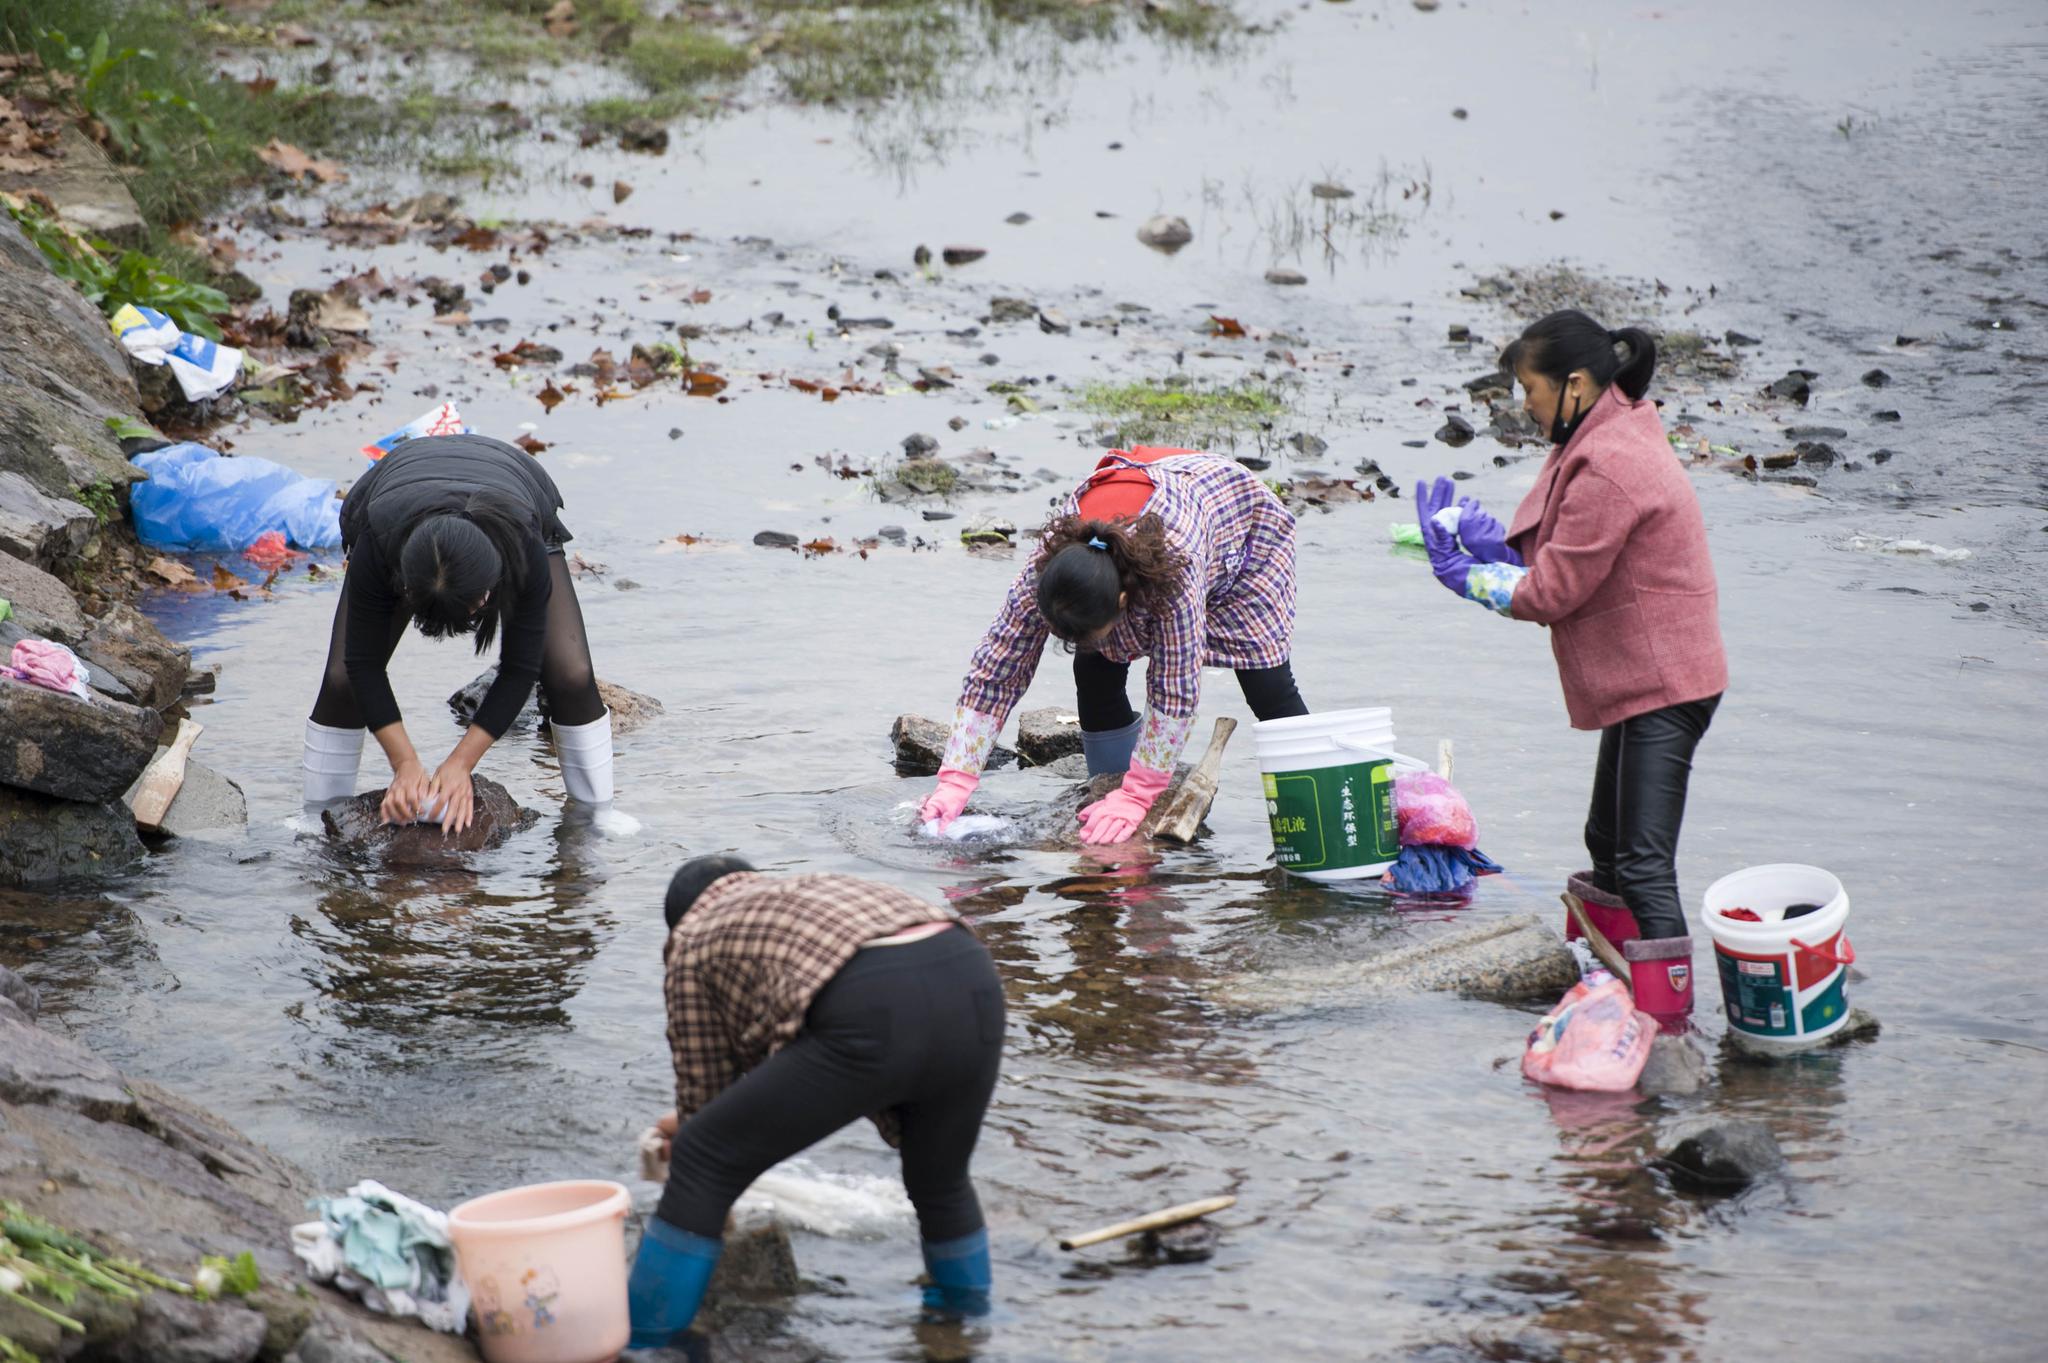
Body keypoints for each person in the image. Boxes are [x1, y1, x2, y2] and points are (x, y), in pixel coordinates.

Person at [1412, 310, 1727, 1031]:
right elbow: (1567, 548)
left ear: (1575, 384)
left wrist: (1470, 576)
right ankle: (1611, 981)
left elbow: (1552, 592)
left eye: (1530, 388)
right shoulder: (1603, 432)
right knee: (1605, 841)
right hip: (1647, 677)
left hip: (1667, 681)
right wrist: (1494, 545)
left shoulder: (1612, 460)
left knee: (1643, 863)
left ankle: (1668, 1024)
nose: (1524, 404)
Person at [628, 858, 1005, 1348]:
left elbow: (706, 1099)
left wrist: (692, 1145)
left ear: (678, 920)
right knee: (940, 1182)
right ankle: (963, 1326)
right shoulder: (799, 895)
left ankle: (647, 1341)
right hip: (971, 974)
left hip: (873, 998)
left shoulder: (693, 937)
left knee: (701, 1158)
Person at [919, 446, 1308, 844]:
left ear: (1123, 601)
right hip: (1146, 505)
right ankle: (1108, 794)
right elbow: (997, 669)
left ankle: (1317, 812)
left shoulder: (1177, 573)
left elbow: (1175, 691)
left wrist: (1140, 794)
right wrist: (956, 777)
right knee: (1093, 667)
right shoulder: (1048, 569)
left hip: (1240, 529)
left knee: (1266, 686)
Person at [299, 433, 614, 830]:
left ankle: (595, 815)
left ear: (489, 591)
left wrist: (461, 763)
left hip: (511, 481)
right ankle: (318, 815)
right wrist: (405, 763)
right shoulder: (380, 541)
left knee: (570, 673)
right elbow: (363, 664)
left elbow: (519, 667)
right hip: (396, 492)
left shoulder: (522, 543)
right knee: (341, 679)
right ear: (405, 588)